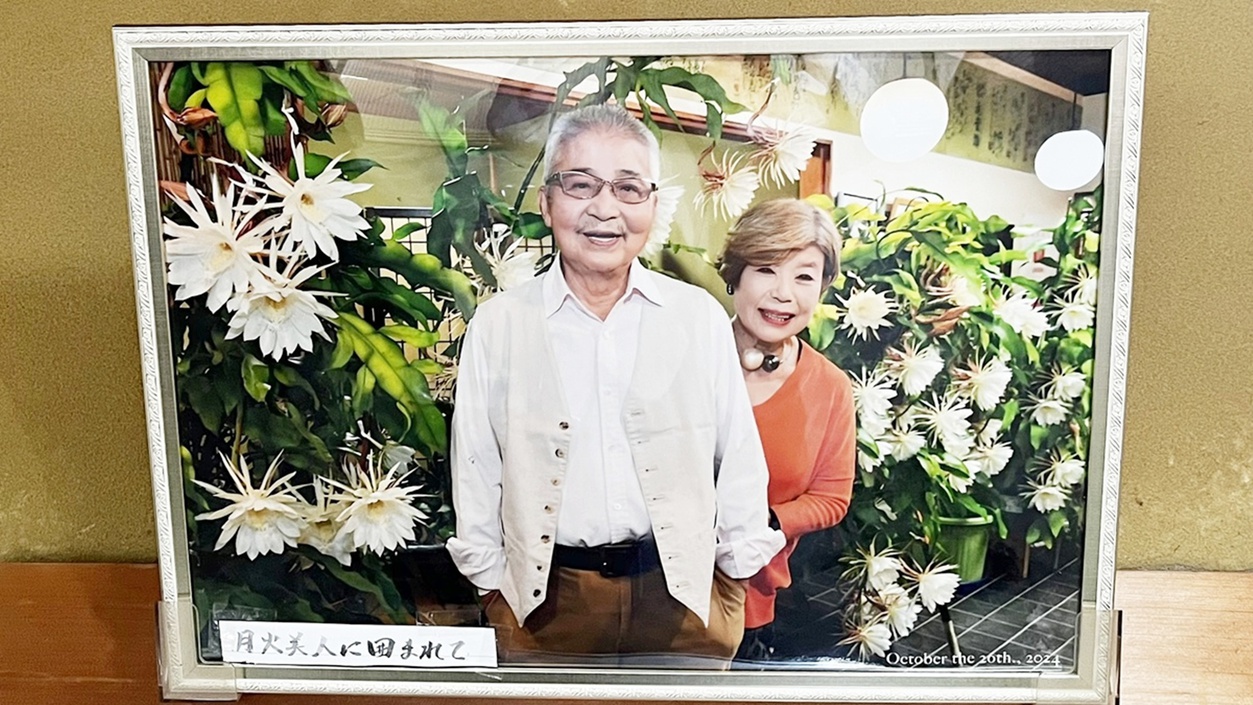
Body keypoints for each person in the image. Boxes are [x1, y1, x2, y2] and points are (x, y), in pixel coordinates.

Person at [446, 104, 785, 667]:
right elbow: (476, 463)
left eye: (628, 188)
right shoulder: (499, 324)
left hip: (683, 600)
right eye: (580, 184)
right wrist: (491, 586)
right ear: (546, 202)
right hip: (545, 606)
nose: (604, 209)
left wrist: (731, 577)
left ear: (652, 204)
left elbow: (739, 453)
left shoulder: (695, 315)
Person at [717, 199, 856, 662]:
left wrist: (767, 522)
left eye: (804, 277)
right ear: (735, 273)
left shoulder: (829, 386)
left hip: (753, 605)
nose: (783, 294)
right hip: (651, 594)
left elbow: (832, 498)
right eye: (765, 269)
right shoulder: (686, 358)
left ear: (822, 288)